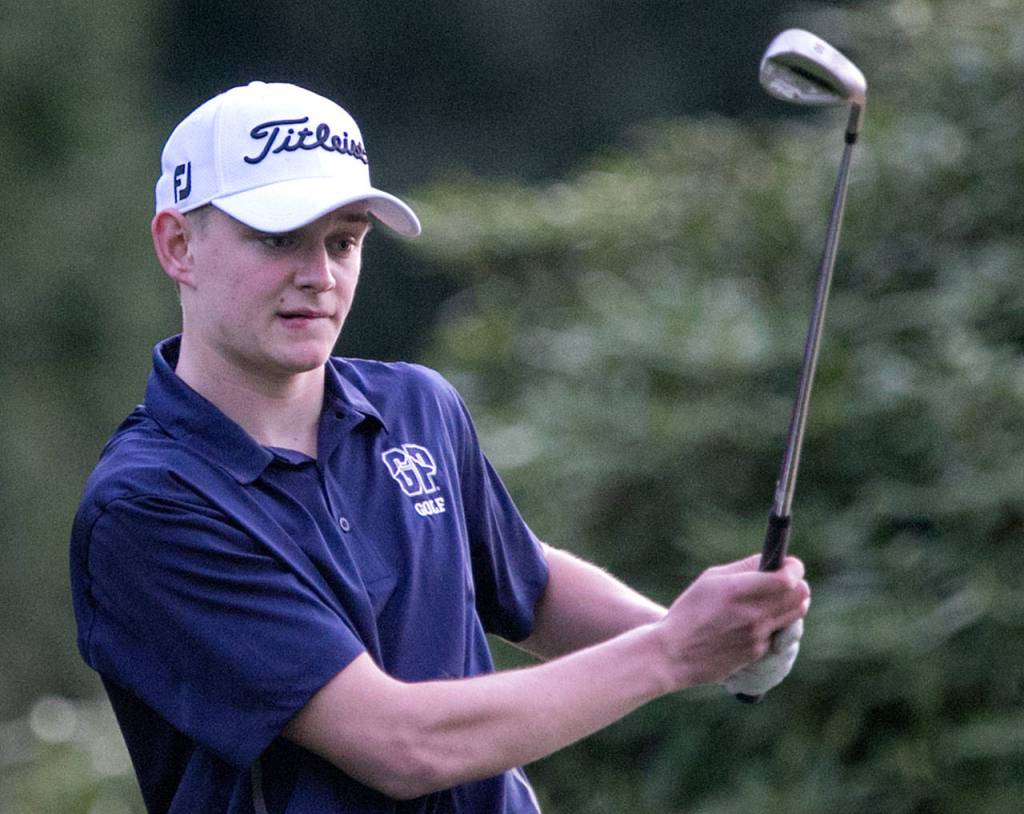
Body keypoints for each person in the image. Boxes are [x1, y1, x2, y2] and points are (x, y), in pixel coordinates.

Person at [69, 81, 810, 814]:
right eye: (276, 238)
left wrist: (716, 641)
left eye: (343, 241)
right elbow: (400, 745)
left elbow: (532, 584)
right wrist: (674, 651)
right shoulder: (146, 508)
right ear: (178, 246)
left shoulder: (416, 407)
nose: (319, 277)